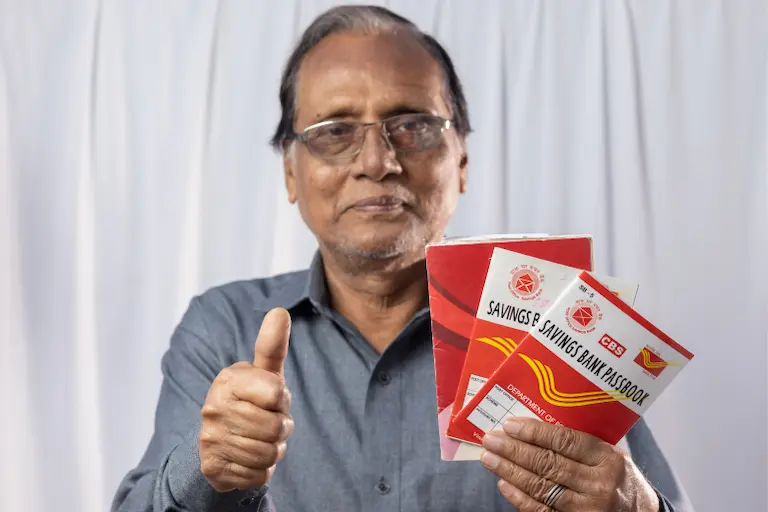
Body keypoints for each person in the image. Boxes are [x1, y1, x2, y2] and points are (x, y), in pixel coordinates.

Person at [112, 5, 694, 512]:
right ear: (291, 172)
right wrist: (206, 468)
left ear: (461, 160)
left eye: (413, 124)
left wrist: (633, 507)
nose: (377, 160)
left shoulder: (555, 326)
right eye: (334, 130)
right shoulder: (224, 329)